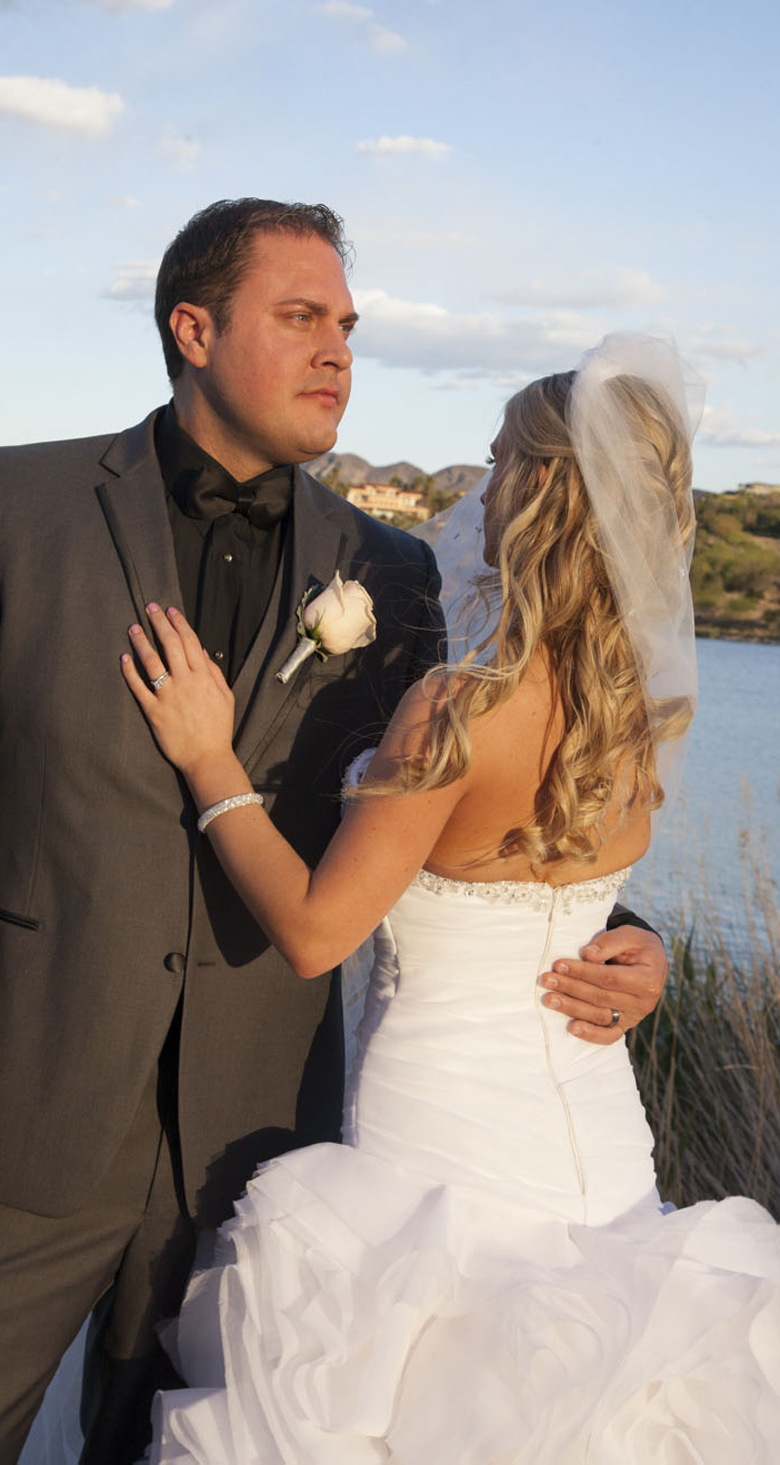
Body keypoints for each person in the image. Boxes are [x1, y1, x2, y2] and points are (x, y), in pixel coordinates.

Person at [0, 201, 666, 1465]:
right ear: (194, 328)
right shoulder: (15, 502)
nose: (338, 351)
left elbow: (460, 818)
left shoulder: (391, 571)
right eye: (301, 317)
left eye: (348, 326)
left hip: (255, 1148)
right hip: (13, 1113)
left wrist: (622, 931)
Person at [123, 334, 780, 1462]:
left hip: (442, 1152)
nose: (483, 483)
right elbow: (560, 894)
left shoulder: (457, 709)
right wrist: (647, 947)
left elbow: (317, 933)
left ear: (545, 493)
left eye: (501, 458)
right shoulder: (640, 718)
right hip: (601, 1152)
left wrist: (208, 760)